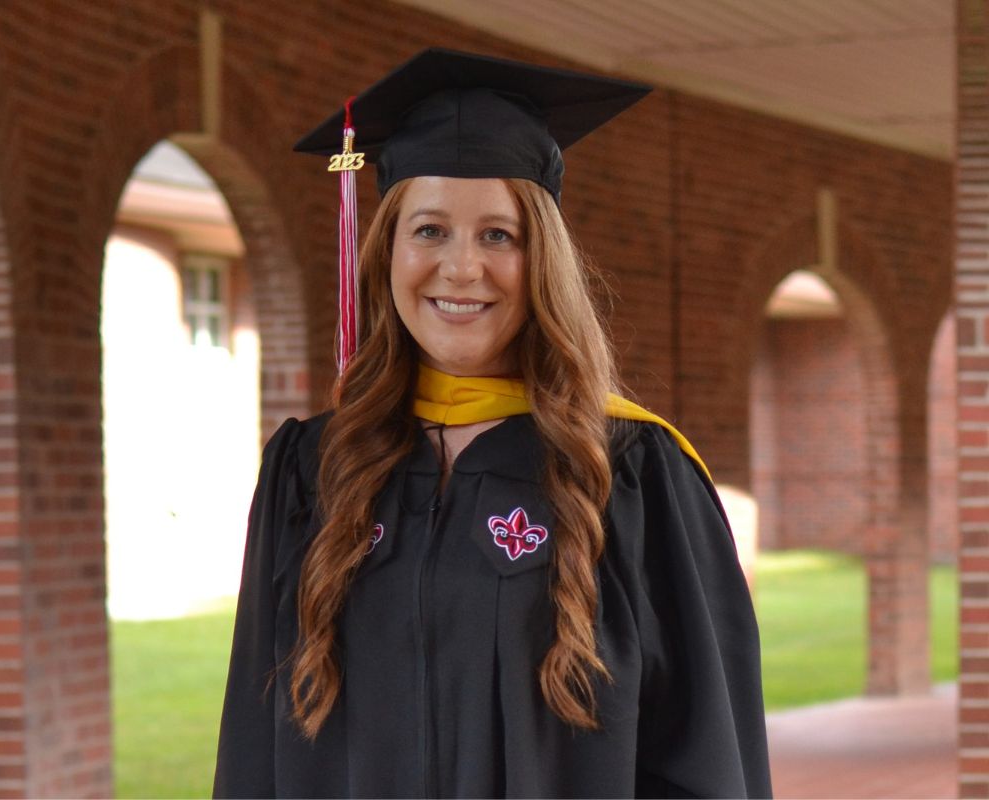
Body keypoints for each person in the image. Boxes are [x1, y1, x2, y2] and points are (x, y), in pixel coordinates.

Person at [214, 48, 771, 799]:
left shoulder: (633, 473)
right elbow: (255, 756)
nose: (462, 268)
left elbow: (707, 754)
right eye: (430, 230)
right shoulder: (312, 473)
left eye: (498, 236)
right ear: (385, 253)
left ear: (541, 258)